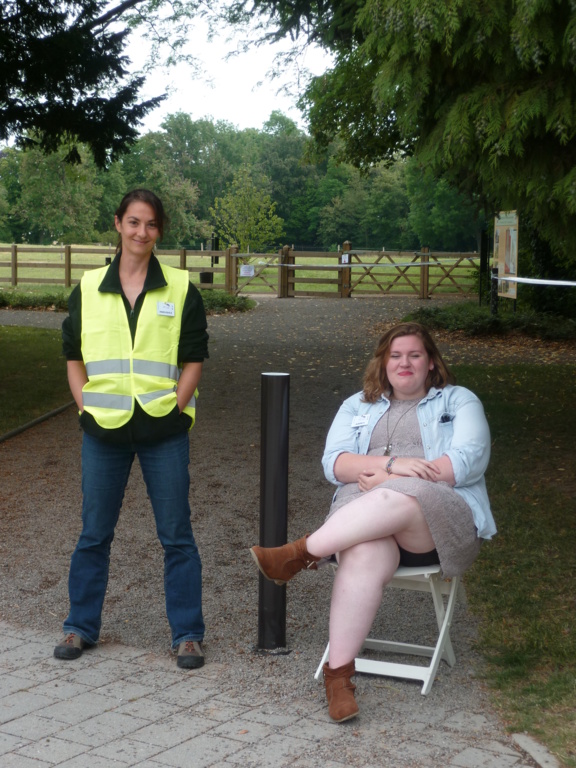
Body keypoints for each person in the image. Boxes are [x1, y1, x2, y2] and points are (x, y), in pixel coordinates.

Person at [250, 322, 495, 721]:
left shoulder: (459, 401)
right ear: (383, 362)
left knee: (397, 496)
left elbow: (466, 461)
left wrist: (390, 482)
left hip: (435, 524)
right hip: (364, 521)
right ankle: (339, 680)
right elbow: (336, 463)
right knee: (362, 552)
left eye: (414, 355)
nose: (404, 363)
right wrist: (393, 465)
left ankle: (302, 552)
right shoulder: (357, 405)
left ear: (431, 363)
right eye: (395, 356)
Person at [55, 188, 208, 670]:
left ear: (159, 231)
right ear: (118, 223)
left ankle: (187, 635)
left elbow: (194, 357)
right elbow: (73, 355)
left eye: (152, 224)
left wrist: (176, 409)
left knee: (177, 535)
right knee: (93, 534)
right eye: (135, 222)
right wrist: (84, 407)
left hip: (164, 430)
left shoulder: (180, 287)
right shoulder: (88, 286)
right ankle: (80, 626)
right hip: (103, 430)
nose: (142, 232)